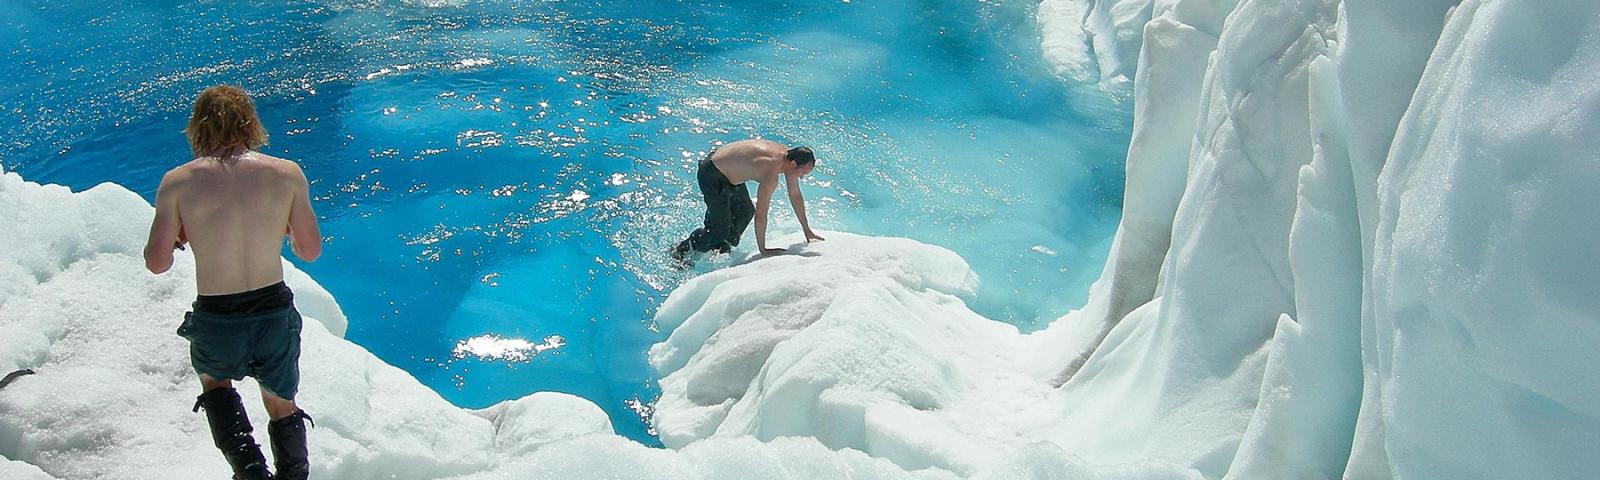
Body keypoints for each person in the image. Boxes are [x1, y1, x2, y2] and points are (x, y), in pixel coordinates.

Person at [144, 85, 321, 480]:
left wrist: (179, 238)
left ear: (197, 128)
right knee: (281, 403)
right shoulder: (286, 174)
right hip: (273, 311)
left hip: (218, 315)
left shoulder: (177, 182)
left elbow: (157, 263)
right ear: (250, 123)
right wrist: (283, 227)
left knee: (216, 388)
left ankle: (251, 473)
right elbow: (309, 251)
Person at [672, 139, 825, 266]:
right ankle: (681, 250)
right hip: (712, 174)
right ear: (793, 164)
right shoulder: (771, 171)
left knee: (745, 212)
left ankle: (721, 245)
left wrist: (806, 229)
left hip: (728, 171)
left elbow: (795, 195)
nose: (802, 177)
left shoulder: (788, 157)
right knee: (718, 231)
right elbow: (761, 213)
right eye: (802, 172)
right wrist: (763, 249)